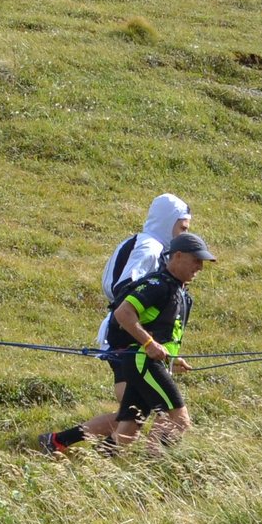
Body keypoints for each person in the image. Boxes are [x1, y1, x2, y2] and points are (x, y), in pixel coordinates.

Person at [42, 193, 191, 455]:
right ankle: (73, 448)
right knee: (135, 414)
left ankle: (62, 443)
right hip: (129, 340)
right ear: (168, 222)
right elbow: (124, 289)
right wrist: (146, 333)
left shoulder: (145, 243)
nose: (182, 235)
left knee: (133, 414)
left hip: (135, 340)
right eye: (181, 228)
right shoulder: (150, 247)